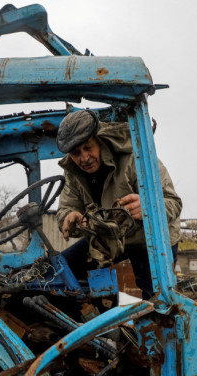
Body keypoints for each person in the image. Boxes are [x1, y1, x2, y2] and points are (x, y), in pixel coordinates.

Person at [55, 109, 182, 300]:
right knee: (59, 270)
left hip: (148, 238)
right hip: (108, 236)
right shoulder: (72, 172)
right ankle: (91, 318)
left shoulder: (134, 157)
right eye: (76, 153)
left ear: (98, 139)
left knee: (159, 300)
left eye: (88, 148)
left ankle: (162, 324)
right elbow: (65, 209)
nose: (84, 158)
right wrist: (70, 217)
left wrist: (148, 207)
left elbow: (173, 202)